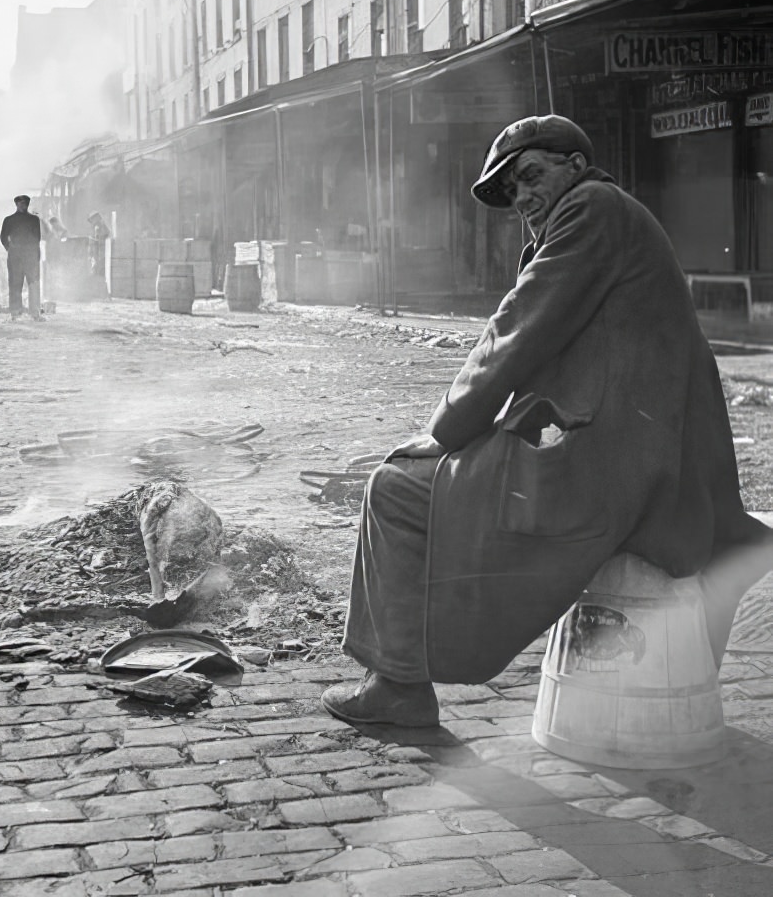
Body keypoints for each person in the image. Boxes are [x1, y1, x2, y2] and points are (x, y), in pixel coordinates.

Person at [323, 114, 773, 729]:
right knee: (434, 479)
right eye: (511, 192)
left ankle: (398, 683)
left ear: (575, 166)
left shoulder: (591, 209)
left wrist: (445, 432)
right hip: (637, 452)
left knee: (395, 488)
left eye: (531, 176)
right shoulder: (602, 217)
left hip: (616, 463)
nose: (523, 197)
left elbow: (516, 331)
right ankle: (404, 670)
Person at [0, 194, 43, 320]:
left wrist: (35, 253)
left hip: (30, 256)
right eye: (21, 203)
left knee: (33, 283)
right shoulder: (9, 220)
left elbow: (37, 238)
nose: (24, 205)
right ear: (17, 204)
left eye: (26, 203)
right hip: (16, 257)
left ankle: (35, 312)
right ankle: (15, 312)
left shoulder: (34, 220)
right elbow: (3, 237)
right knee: (15, 284)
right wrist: (10, 248)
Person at [88, 210, 110, 284]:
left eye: (93, 219)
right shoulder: (99, 226)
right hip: (98, 249)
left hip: (101, 249)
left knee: (99, 265)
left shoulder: (99, 226)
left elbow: (98, 238)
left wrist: (96, 239)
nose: (92, 222)